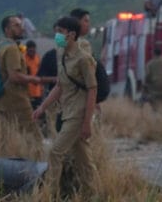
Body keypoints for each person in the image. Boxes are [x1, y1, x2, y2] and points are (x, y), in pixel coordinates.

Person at [33, 16, 98, 199]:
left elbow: (92, 90)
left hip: (78, 114)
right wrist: (42, 108)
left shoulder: (84, 59)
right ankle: (91, 194)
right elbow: (59, 86)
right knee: (83, 158)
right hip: (67, 111)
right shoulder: (62, 56)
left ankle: (49, 194)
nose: (57, 36)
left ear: (71, 34)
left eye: (60, 32)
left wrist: (87, 122)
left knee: (55, 152)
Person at [0, 16, 43, 155]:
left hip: (3, 98)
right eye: (16, 25)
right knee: (34, 136)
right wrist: (33, 79)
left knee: (6, 137)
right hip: (17, 99)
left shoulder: (1, 46)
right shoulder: (11, 49)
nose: (21, 27)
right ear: (7, 29)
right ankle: (38, 168)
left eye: (20, 25)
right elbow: (14, 76)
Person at [25, 40, 43, 109]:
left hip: (38, 91)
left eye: (34, 50)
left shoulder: (37, 57)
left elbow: (40, 71)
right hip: (27, 92)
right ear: (27, 50)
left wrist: (42, 87)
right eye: (30, 51)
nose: (32, 52)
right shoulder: (23, 59)